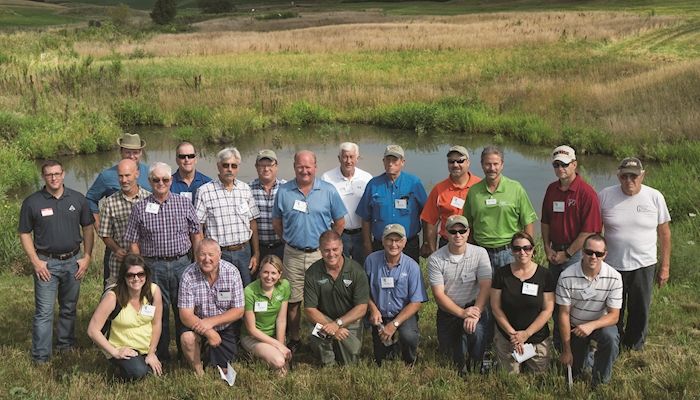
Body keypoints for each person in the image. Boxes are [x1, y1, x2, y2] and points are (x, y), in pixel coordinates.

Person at [123, 162, 201, 363]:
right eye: (156, 180)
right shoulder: (140, 208)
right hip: (153, 265)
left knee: (185, 310)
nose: (161, 183)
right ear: (149, 181)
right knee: (158, 311)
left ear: (171, 181)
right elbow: (132, 240)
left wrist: (198, 259)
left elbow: (196, 234)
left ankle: (187, 355)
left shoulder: (183, 203)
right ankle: (162, 356)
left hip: (182, 264)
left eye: (165, 180)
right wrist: (141, 267)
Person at [19, 160, 95, 364]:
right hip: (46, 263)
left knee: (69, 307)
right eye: (49, 174)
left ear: (64, 174)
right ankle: (41, 356)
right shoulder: (32, 202)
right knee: (44, 312)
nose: (53, 178)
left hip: (73, 262)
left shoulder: (78, 199)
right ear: (43, 177)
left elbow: (88, 227)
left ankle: (65, 345)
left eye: (57, 173)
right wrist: (35, 261)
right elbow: (24, 233)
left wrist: (86, 257)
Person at [272, 150, 347, 350]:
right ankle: (295, 338)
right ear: (294, 167)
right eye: (300, 166)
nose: (304, 171)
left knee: (322, 297)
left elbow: (340, 222)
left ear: (315, 167)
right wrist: (288, 240)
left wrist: (329, 245)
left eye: (308, 167)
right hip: (293, 254)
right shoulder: (284, 191)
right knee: (293, 299)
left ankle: (323, 336)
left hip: (319, 254)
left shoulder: (328, 190)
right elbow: (277, 222)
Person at [598, 157, 671, 351]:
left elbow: (664, 233)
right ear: (618, 176)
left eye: (634, 176)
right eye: (624, 176)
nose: (629, 180)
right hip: (613, 265)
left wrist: (665, 267)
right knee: (614, 308)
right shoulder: (605, 195)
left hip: (644, 264)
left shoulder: (654, 197)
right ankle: (613, 343)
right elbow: (596, 231)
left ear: (642, 175)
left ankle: (634, 346)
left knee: (640, 309)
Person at [541, 145, 601, 350]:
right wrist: (547, 249)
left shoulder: (587, 193)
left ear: (574, 165)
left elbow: (589, 232)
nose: (560, 169)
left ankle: (582, 345)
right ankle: (559, 344)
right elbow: (545, 222)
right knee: (557, 301)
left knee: (576, 302)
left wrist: (567, 254)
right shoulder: (551, 189)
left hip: (576, 255)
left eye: (565, 165)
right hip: (555, 253)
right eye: (556, 164)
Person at [427, 215, 491, 373]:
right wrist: (462, 313)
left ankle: (477, 362)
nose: (458, 235)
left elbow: (485, 286)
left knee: (476, 333)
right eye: (453, 231)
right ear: (445, 233)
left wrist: (475, 313)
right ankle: (460, 354)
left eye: (462, 231)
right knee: (450, 358)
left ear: (468, 232)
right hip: (449, 310)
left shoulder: (480, 253)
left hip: (474, 307)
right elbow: (439, 296)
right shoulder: (435, 259)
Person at [557, 234, 623, 387]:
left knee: (611, 338)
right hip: (575, 326)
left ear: (605, 255)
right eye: (589, 252)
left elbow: (614, 316)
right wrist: (566, 350)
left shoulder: (615, 277)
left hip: (600, 324)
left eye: (598, 254)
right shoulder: (566, 276)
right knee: (574, 372)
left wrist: (591, 326)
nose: (593, 257)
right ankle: (587, 357)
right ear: (582, 252)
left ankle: (600, 382)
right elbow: (563, 314)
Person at [86, 132, 151, 284]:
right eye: (127, 151)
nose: (131, 155)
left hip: (146, 248)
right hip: (117, 245)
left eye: (135, 152)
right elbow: (90, 199)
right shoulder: (107, 176)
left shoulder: (149, 173)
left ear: (140, 153)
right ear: (121, 151)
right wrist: (100, 226)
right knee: (115, 286)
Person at [87, 254, 163, 380]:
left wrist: (151, 353)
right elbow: (92, 330)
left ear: (146, 275)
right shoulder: (113, 297)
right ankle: (117, 367)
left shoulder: (154, 291)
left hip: (145, 347)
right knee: (138, 372)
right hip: (122, 348)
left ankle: (140, 364)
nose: (136, 278)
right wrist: (115, 352)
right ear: (124, 277)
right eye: (130, 275)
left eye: (140, 274)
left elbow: (156, 324)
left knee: (153, 373)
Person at [463, 145, 537, 269]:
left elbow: (528, 221)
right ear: (482, 165)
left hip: (510, 251)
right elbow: (468, 224)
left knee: (510, 288)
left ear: (502, 164)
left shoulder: (516, 188)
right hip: (481, 252)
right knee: (484, 288)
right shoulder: (474, 192)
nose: (492, 168)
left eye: (496, 164)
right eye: (488, 164)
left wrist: (527, 249)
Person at [195, 147, 261, 287]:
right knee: (221, 292)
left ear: (238, 168)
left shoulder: (245, 189)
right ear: (218, 166)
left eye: (234, 166)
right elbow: (198, 227)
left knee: (246, 292)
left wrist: (256, 253)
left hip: (244, 252)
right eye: (226, 165)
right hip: (219, 254)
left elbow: (252, 222)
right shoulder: (205, 191)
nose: (229, 169)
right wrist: (202, 256)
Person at [490, 232, 554, 374]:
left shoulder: (545, 275)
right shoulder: (502, 274)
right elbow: (495, 307)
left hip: (537, 337)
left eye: (527, 248)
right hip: (508, 337)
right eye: (517, 249)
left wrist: (526, 334)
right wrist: (514, 335)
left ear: (533, 250)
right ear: (512, 251)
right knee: (509, 379)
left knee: (538, 380)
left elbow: (548, 309)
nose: (522, 252)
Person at [179, 239, 245, 376]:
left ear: (219, 255)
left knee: (226, 368)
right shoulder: (188, 275)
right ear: (196, 255)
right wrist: (208, 332)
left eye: (211, 254)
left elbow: (239, 310)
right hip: (198, 326)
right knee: (187, 338)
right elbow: (185, 315)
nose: (206, 259)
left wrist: (211, 322)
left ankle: (209, 354)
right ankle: (199, 372)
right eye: (202, 254)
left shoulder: (232, 272)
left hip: (224, 327)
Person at [365, 224, 428, 366]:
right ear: (382, 241)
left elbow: (416, 302)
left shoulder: (412, 266)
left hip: (403, 314)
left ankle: (409, 360)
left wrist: (394, 324)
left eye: (398, 240)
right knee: (381, 359)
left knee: (408, 336)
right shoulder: (371, 261)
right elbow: (363, 291)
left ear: (404, 242)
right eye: (389, 240)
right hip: (379, 314)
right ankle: (390, 348)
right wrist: (373, 309)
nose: (394, 244)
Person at [304, 231, 369, 366]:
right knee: (317, 337)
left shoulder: (356, 270)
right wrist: (333, 329)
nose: (331, 254)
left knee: (350, 361)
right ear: (320, 250)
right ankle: (327, 364)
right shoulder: (312, 272)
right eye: (326, 250)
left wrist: (337, 324)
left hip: (349, 321)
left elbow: (361, 308)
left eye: (335, 249)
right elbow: (310, 309)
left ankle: (340, 349)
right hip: (323, 320)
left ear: (342, 247)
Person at [357, 144, 427, 263]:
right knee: (380, 278)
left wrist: (426, 242)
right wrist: (367, 244)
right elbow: (365, 218)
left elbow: (426, 214)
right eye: (387, 160)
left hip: (408, 245)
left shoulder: (414, 183)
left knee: (408, 279)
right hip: (381, 245)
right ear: (383, 161)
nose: (390, 163)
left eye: (394, 159)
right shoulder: (373, 185)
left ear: (402, 162)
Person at [420, 145, 481, 257]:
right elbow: (430, 221)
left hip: (474, 243)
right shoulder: (439, 189)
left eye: (460, 161)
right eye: (451, 161)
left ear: (468, 162)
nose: (455, 165)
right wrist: (434, 252)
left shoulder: (480, 186)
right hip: (446, 243)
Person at [98, 159, 151, 286]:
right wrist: (116, 249)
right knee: (117, 301)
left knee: (145, 300)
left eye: (127, 175)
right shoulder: (110, 202)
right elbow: (105, 234)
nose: (124, 180)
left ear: (136, 174)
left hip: (146, 261)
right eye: (120, 176)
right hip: (119, 263)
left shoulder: (149, 199)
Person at [321, 142, 373, 264]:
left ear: (357, 158)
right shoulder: (327, 178)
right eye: (345, 157)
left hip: (362, 234)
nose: (348, 161)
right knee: (338, 269)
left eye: (351, 157)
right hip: (339, 233)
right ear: (339, 158)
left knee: (362, 270)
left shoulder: (367, 178)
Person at [241, 255, 292, 375]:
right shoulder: (249, 291)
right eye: (265, 272)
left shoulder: (284, 286)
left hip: (274, 336)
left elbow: (281, 320)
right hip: (253, 337)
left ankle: (264, 359)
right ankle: (256, 357)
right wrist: (279, 346)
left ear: (280, 274)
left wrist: (280, 344)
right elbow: (251, 329)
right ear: (260, 272)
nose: (269, 277)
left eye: (273, 273)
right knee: (279, 361)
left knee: (284, 368)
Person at [250, 149, 287, 261]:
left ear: (276, 166)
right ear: (256, 167)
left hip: (282, 246)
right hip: (258, 248)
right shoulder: (247, 189)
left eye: (270, 165)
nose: (266, 169)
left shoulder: (287, 188)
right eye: (262, 165)